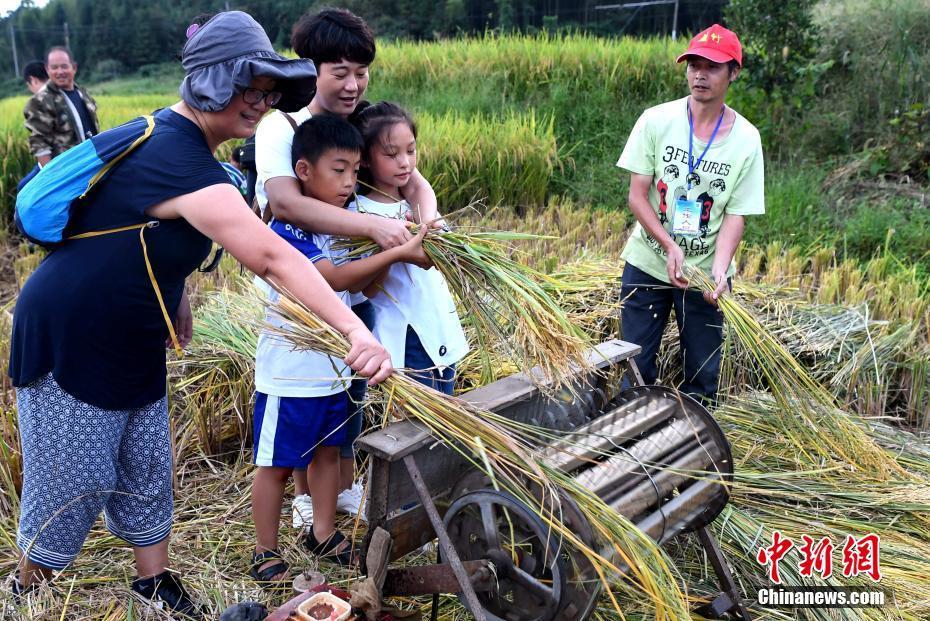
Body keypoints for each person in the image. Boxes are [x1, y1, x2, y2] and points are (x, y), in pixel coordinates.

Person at [8, 12, 391, 619]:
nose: (261, 103)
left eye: (269, 92)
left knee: (145, 456)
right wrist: (353, 330)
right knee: (74, 474)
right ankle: (31, 588)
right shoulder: (174, 151)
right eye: (249, 88)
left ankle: (154, 582)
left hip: (133, 326)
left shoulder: (190, 150)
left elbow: (150, 226)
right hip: (72, 330)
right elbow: (269, 255)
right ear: (212, 82)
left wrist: (175, 286)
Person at [254, 7, 439, 530]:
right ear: (311, 69)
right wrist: (374, 231)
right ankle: (308, 506)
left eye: (362, 72)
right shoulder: (282, 129)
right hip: (305, 288)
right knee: (303, 403)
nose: (354, 84)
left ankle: (333, 501)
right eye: (341, 73)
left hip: (357, 290)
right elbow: (286, 205)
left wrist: (430, 219)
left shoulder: (356, 126)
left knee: (343, 405)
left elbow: (413, 178)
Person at [250, 114, 429, 584]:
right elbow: (328, 281)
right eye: (339, 170)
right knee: (277, 464)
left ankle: (322, 532)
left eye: (355, 171)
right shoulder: (288, 227)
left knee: (330, 452)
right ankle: (263, 550)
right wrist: (395, 251)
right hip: (290, 372)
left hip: (336, 367)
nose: (350, 182)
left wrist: (398, 246)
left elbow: (364, 290)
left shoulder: (346, 227)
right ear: (304, 171)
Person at [616, 24, 765, 404]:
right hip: (649, 262)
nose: (700, 74)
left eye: (713, 67)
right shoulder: (656, 120)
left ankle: (692, 449)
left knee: (702, 375)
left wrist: (720, 269)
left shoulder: (746, 139)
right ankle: (631, 441)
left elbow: (736, 213)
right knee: (634, 366)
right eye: (694, 64)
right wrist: (668, 245)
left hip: (704, 275)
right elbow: (637, 196)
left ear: (733, 73)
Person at [351, 101, 468, 394]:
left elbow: (445, 257)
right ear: (364, 159)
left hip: (438, 325)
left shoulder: (416, 207)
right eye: (391, 154)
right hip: (406, 337)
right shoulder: (359, 216)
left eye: (411, 150)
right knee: (418, 431)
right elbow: (367, 289)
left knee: (447, 417)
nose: (404, 162)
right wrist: (392, 252)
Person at [24, 46, 99, 168]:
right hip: (66, 170)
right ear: (47, 69)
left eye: (64, 66)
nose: (59, 72)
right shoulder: (41, 100)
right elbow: (40, 144)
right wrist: (52, 177)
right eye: (54, 67)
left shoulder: (83, 94)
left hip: (91, 163)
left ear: (74, 67)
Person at [16, 61, 49, 191]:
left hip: (54, 164)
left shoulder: (37, 102)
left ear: (33, 80)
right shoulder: (64, 92)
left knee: (23, 188)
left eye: (28, 85)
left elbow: (42, 146)